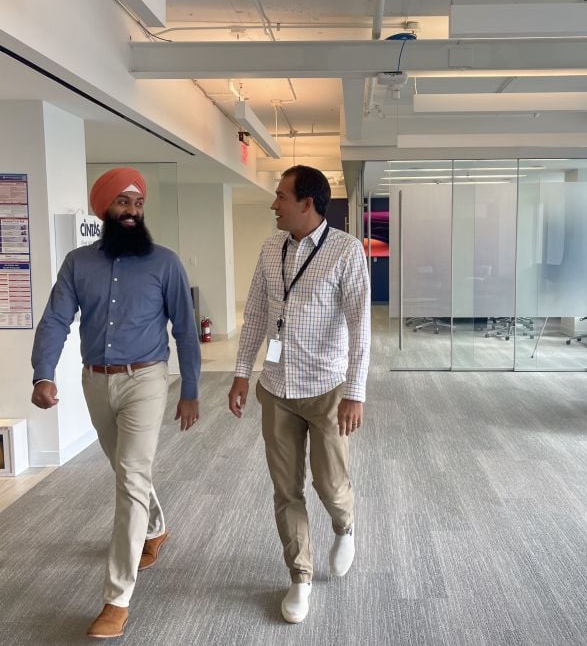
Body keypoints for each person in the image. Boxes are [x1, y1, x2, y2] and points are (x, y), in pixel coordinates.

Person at [31, 167, 201, 640]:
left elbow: (186, 329)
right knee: (127, 469)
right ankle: (156, 526)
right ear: (103, 208)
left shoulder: (165, 263)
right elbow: (55, 320)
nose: (131, 211)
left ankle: (116, 598)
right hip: (95, 382)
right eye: (122, 203)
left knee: (129, 475)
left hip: (146, 379)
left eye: (138, 203)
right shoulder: (77, 263)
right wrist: (42, 373)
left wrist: (189, 390)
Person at [228, 165, 370, 624]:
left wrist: (355, 392)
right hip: (276, 387)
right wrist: (240, 374)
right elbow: (255, 317)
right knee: (286, 489)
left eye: (281, 197)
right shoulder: (271, 249)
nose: (274, 204)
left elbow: (359, 328)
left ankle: (345, 525)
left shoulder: (346, 252)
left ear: (307, 203)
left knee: (329, 483)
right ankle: (300, 576)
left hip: (326, 388)